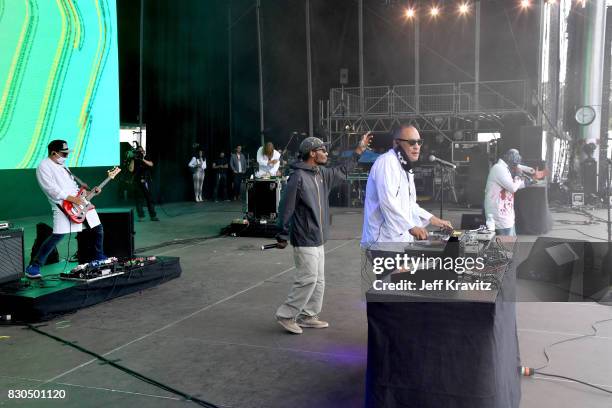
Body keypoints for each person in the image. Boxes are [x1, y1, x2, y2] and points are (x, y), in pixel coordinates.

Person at [275, 132, 373, 334]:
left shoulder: (320, 174)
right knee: (307, 278)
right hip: (304, 238)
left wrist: (359, 150)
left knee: (319, 280)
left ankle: (309, 315)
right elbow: (285, 208)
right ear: (312, 153)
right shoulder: (298, 177)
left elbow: (343, 170)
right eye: (322, 149)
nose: (326, 152)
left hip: (318, 237)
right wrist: (282, 235)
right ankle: (286, 315)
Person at [361, 125, 453, 249]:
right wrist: (411, 227)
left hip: (398, 240)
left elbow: (410, 205)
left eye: (419, 142)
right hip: (382, 242)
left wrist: (432, 219)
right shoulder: (387, 163)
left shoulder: (405, 167)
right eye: (411, 142)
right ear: (396, 143)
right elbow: (388, 202)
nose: (417, 146)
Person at [25, 140, 106, 279]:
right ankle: (34, 266)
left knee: (98, 228)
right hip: (62, 205)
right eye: (64, 153)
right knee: (57, 236)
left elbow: (74, 187)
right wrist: (73, 199)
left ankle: (99, 257)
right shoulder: (43, 166)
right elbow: (50, 189)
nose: (66, 156)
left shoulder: (63, 165)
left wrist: (88, 194)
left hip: (78, 203)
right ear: (53, 153)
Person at [484, 149, 546, 236]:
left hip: (506, 215)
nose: (517, 164)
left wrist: (533, 180)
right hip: (499, 215)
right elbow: (513, 187)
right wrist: (518, 174)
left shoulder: (505, 169)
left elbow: (516, 185)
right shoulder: (498, 168)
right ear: (509, 158)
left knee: (509, 245)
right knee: (505, 246)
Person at [128, 145, 159, 221]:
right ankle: (141, 216)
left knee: (149, 199)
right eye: (138, 151)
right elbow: (131, 170)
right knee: (139, 199)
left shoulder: (146, 157)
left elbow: (151, 164)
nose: (140, 152)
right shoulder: (134, 159)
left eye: (141, 151)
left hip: (146, 181)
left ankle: (153, 215)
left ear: (144, 151)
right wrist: (133, 159)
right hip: (137, 182)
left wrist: (142, 159)